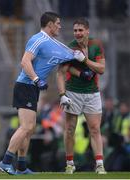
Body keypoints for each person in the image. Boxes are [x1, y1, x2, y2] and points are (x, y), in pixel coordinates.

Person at [0, 12, 85, 175]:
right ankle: (5, 162)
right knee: (27, 126)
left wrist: (79, 57)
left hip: (32, 88)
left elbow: (67, 54)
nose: (60, 26)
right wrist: (37, 79)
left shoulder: (54, 43)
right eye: (57, 23)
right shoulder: (38, 39)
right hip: (26, 85)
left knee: (29, 129)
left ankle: (21, 167)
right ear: (50, 25)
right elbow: (24, 61)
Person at [56, 17, 106, 174]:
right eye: (75, 30)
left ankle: (99, 165)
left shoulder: (96, 45)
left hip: (92, 93)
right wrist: (62, 94)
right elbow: (61, 72)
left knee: (95, 129)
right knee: (70, 129)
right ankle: (70, 163)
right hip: (73, 92)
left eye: (80, 30)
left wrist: (85, 60)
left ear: (87, 31)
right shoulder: (69, 48)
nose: (77, 33)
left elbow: (101, 69)